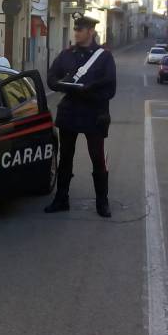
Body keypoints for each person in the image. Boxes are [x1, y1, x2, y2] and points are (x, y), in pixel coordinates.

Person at [45, 16, 117, 217]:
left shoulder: (104, 57)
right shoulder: (67, 54)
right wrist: (60, 84)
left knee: (97, 158)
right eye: (75, 29)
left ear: (91, 31)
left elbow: (110, 88)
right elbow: (51, 76)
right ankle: (61, 198)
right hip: (70, 111)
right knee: (65, 157)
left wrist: (89, 91)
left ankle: (102, 202)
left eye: (80, 29)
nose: (76, 32)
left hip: (94, 113)